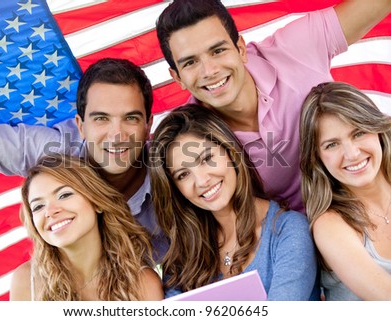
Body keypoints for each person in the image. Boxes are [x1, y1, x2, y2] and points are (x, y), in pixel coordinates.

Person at [156, 0, 391, 213]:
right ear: (176, 77)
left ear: (240, 48)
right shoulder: (187, 136)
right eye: (190, 62)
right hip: (300, 243)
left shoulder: (294, 48)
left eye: (218, 51)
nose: (209, 71)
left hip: (376, 203)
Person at [0, 58, 168, 261]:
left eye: (130, 118)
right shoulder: (56, 153)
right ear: (81, 126)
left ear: (148, 124)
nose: (117, 135)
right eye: (101, 119)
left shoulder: (175, 171)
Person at [149, 104, 319, 300]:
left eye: (206, 159)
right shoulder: (184, 251)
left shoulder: (289, 230)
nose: (202, 181)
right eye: (183, 174)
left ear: (230, 151)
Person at [10, 155, 164, 301]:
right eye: (38, 206)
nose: (50, 212)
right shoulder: (26, 281)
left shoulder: (144, 284)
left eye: (64, 195)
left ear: (96, 202)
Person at [299, 81, 391, 301]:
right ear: (317, 158)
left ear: (376, 128)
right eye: (332, 145)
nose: (352, 154)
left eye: (358, 133)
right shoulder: (330, 224)